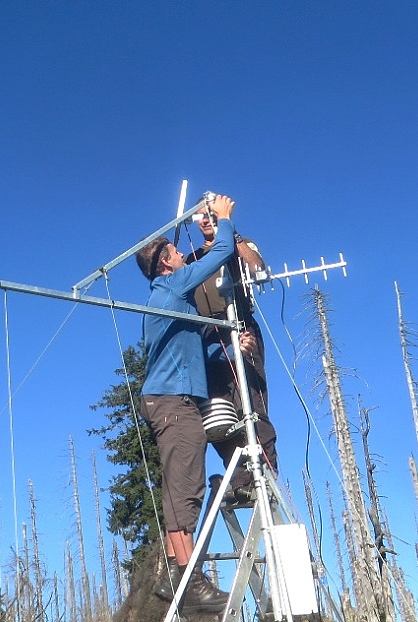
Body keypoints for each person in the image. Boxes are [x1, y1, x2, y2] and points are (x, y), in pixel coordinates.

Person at [135, 194, 253, 613]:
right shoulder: (171, 286)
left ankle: (176, 574)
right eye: (175, 251)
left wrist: (230, 348)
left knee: (182, 481)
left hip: (171, 399)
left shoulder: (171, 302)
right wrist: (223, 219)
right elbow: (219, 254)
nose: (182, 254)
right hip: (173, 402)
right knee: (185, 485)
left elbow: (193, 354)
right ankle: (189, 581)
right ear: (166, 263)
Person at [186, 205, 278, 502]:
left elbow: (260, 271)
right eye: (201, 217)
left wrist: (232, 236)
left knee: (250, 404)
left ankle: (264, 475)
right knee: (217, 412)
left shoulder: (240, 243)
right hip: (206, 336)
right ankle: (239, 478)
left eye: (212, 215)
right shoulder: (191, 259)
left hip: (239, 325)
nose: (207, 221)